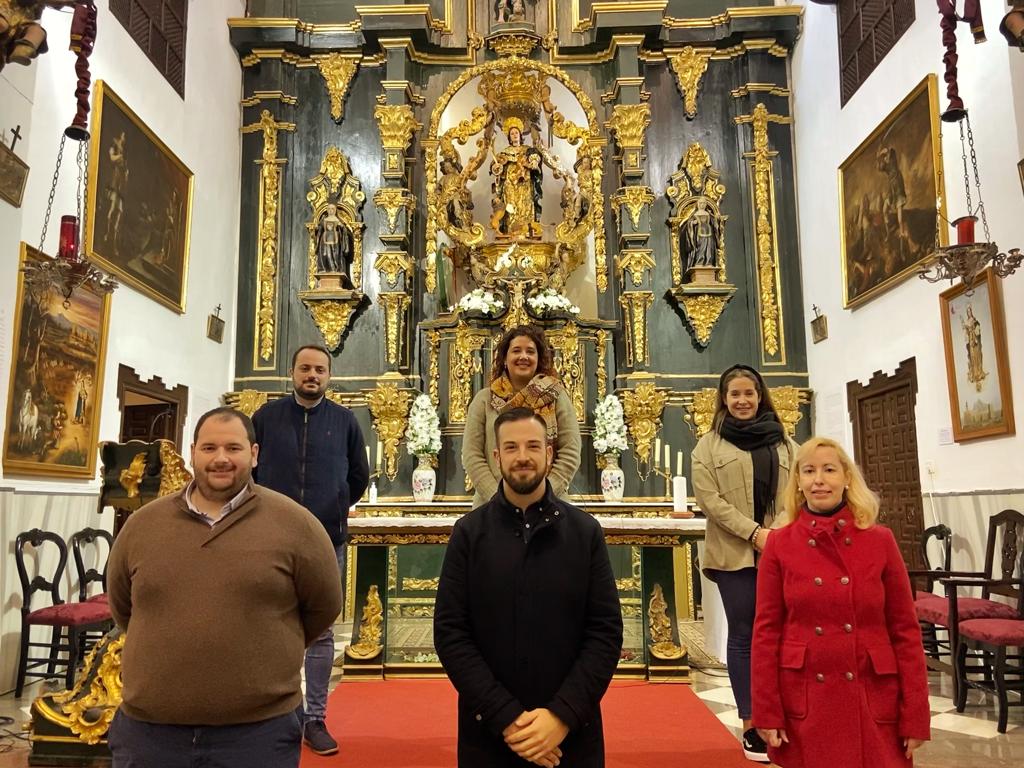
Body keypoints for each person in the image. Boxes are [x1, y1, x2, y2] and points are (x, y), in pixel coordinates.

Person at [105, 407, 343, 768]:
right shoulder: (142, 526)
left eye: (233, 448)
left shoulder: (297, 526)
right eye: (209, 448)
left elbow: (323, 607)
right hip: (150, 734)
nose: (220, 459)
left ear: (254, 454)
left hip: (258, 735)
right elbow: (125, 608)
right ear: (192, 452)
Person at [434, 408, 623, 767]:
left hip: (570, 738)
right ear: (496, 457)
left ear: (549, 454)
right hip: (489, 735)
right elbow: (451, 633)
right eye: (511, 447)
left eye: (533, 446)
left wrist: (561, 716)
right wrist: (506, 718)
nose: (523, 457)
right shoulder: (469, 534)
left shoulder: (585, 533)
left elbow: (605, 632)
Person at [751, 436, 930, 767]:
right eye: (809, 471)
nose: (819, 479)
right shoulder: (780, 544)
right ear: (799, 483)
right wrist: (766, 711)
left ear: (847, 478)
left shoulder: (880, 540)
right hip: (806, 697)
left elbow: (905, 630)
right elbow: (766, 633)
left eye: (829, 469)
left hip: (871, 695)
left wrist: (916, 713)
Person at [251, 345, 369, 756]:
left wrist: (333, 506)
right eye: (305, 368)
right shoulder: (265, 419)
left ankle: (314, 719)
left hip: (325, 540)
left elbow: (359, 476)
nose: (312, 375)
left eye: (320, 369)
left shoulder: (345, 421)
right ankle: (272, 714)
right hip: (269, 539)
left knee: (320, 633)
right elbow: (250, 473)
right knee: (267, 625)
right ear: (292, 372)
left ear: (328, 376)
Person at [691, 363, 797, 762]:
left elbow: (797, 490)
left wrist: (778, 533)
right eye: (734, 394)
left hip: (782, 551)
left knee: (782, 633)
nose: (741, 401)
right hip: (734, 553)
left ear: (759, 395)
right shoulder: (708, 445)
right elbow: (710, 501)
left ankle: (782, 717)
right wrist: (756, 534)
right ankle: (752, 724)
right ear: (724, 399)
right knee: (745, 633)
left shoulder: (785, 442)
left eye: (748, 393)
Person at [462, 324, 581, 509]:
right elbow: (472, 455)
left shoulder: (557, 397)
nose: (523, 356)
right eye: (516, 350)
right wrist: (499, 498)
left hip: (551, 504)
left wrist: (545, 493)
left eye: (530, 351)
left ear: (539, 359)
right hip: (492, 505)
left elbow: (570, 452)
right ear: (504, 359)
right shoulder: (484, 400)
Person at [490, 117, 544, 238]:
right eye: (512, 133)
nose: (514, 135)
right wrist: (497, 167)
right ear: (509, 137)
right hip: (510, 183)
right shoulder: (504, 152)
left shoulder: (528, 150)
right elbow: (495, 168)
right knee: (511, 206)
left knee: (525, 204)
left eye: (516, 133)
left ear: (520, 135)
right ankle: (511, 232)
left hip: (525, 183)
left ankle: (527, 232)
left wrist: (533, 163)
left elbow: (536, 160)